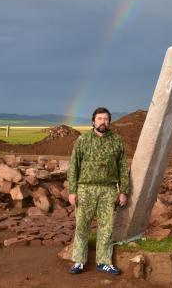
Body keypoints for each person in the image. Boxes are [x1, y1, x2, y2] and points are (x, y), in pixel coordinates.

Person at [67, 107, 129, 275]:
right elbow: (74, 166)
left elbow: (123, 167)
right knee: (82, 225)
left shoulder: (116, 141)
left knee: (107, 227)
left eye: (106, 119)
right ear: (93, 121)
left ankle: (104, 261)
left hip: (108, 190)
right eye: (100, 119)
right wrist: (72, 191)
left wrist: (123, 191)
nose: (103, 122)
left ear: (109, 122)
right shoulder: (83, 140)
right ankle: (79, 261)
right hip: (85, 189)